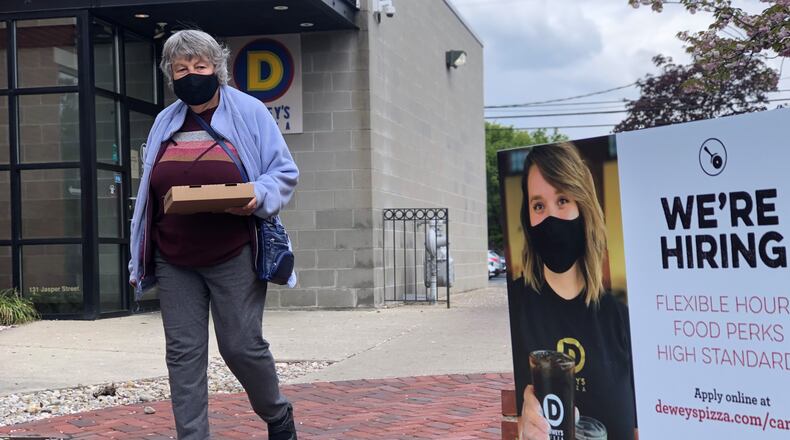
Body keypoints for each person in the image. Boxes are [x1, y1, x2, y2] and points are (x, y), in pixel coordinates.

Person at [127, 29, 299, 440]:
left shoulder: (250, 112)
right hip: (174, 255)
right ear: (170, 74)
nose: (191, 74)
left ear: (217, 68)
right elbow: (149, 189)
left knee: (241, 346)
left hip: (233, 251)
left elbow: (284, 173)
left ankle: (277, 415)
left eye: (199, 66)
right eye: (181, 68)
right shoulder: (164, 121)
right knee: (183, 356)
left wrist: (256, 195)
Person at [508, 143, 637, 440]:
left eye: (563, 200)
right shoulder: (515, 305)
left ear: (584, 206)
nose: (550, 217)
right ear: (528, 219)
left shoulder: (620, 316)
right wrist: (521, 428)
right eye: (538, 205)